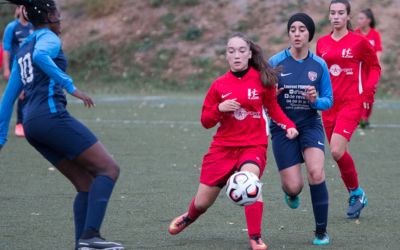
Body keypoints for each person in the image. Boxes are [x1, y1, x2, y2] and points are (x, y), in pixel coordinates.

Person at [0, 1, 124, 249]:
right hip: (51, 116)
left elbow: (7, 99)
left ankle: (83, 244)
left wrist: (1, 138)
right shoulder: (49, 38)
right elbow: (41, 55)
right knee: (109, 169)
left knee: (85, 183)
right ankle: (90, 236)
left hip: (33, 127)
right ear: (47, 16)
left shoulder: (22, 48)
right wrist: (70, 86)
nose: (60, 19)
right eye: (57, 13)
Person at [168, 32, 299, 250]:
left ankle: (255, 237)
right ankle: (189, 217)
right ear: (226, 56)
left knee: (250, 181)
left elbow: (273, 109)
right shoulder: (219, 85)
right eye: (231, 51)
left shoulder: (263, 80)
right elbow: (205, 121)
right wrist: (219, 108)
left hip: (253, 145)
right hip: (223, 147)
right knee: (202, 203)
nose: (236, 55)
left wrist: (290, 126)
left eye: (241, 50)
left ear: (249, 54)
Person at [269, 13, 333, 245]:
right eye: (293, 29)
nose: (297, 33)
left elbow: (329, 100)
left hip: (309, 125)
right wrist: (271, 97)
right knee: (294, 186)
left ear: (309, 34)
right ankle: (290, 192)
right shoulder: (275, 62)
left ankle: (321, 231)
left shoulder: (319, 65)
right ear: (288, 34)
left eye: (302, 29)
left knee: (316, 173)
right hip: (282, 128)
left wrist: (315, 101)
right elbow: (262, 99)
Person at [316, 0, 381, 219]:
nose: (336, 16)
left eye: (340, 13)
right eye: (332, 13)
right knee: (340, 153)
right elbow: (321, 75)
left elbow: (374, 67)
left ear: (348, 16)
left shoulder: (359, 42)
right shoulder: (322, 43)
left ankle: (356, 193)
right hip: (328, 106)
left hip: (351, 104)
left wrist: (369, 90)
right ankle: (356, 194)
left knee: (335, 150)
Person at [2, 5, 33, 137]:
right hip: (16, 67)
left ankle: (27, 123)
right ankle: (19, 124)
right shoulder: (11, 27)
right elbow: (6, 49)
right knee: (19, 94)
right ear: (18, 10)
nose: (24, 10)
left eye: (26, 8)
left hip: (31, 66)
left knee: (28, 94)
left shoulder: (33, 26)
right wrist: (6, 69)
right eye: (22, 7)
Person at [355, 8, 383, 128]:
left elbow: (378, 51)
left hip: (371, 69)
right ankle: (361, 118)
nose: (358, 20)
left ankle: (365, 118)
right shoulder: (356, 33)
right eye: (358, 18)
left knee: (369, 91)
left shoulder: (374, 34)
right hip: (359, 69)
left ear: (368, 20)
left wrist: (376, 67)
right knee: (359, 93)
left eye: (361, 18)